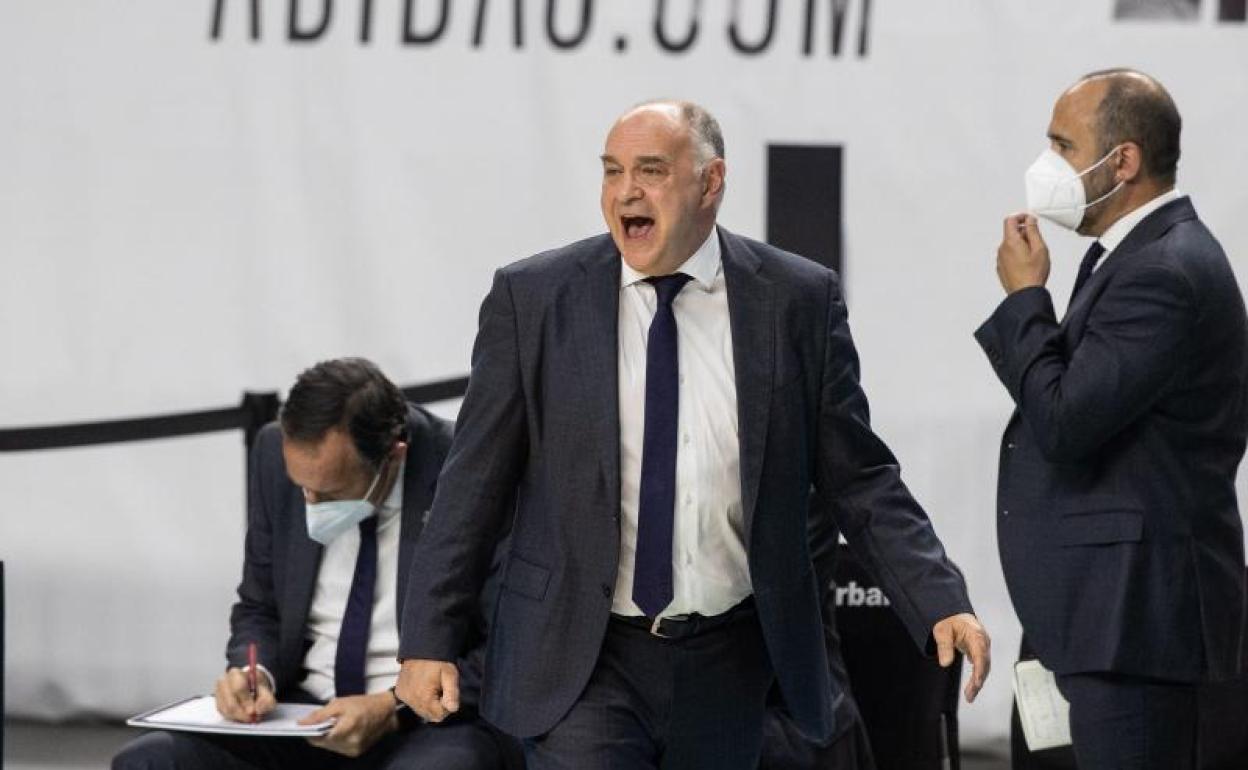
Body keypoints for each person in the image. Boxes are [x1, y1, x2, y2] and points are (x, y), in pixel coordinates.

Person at [396, 99, 991, 770]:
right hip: (582, 657)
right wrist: (428, 637)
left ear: (711, 184)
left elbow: (861, 478)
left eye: (651, 170)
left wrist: (940, 599)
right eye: (612, 171)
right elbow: (472, 483)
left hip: (730, 655)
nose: (626, 192)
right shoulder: (534, 298)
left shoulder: (796, 300)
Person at [976, 69, 1248, 768]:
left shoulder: (1168, 268)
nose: (1046, 166)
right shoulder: (1131, 258)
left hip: (1133, 635)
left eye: (1063, 146)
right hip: (1090, 623)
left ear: (1121, 161)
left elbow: (1066, 421)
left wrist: (1025, 302)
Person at [113, 358, 519, 770]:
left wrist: (391, 706)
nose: (310, 503)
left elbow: (507, 644)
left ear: (393, 456)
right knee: (150, 761)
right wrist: (254, 674)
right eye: (301, 487)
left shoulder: (466, 471)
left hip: (424, 720)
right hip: (302, 716)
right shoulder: (274, 452)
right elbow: (260, 607)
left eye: (328, 493)